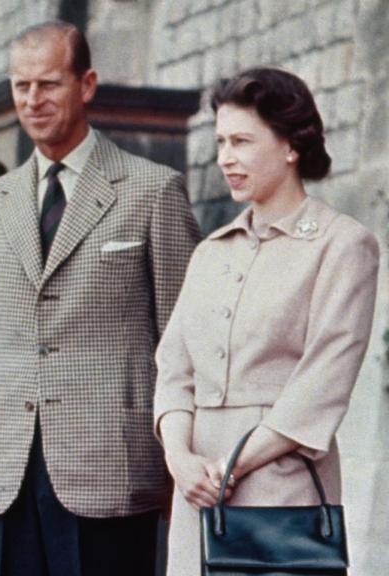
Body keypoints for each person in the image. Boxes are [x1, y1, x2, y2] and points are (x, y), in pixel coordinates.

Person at [0, 19, 202, 576]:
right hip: (5, 464)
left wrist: (178, 457)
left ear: (86, 84)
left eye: (49, 84)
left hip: (113, 466)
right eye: (21, 86)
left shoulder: (152, 190)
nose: (33, 100)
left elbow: (184, 342)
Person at [153, 67, 379, 576]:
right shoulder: (210, 254)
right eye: (220, 142)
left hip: (280, 492)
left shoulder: (342, 245)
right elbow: (173, 370)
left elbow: (322, 385)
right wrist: (180, 461)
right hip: (197, 495)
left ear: (290, 146)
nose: (226, 158)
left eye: (242, 141)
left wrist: (229, 466)